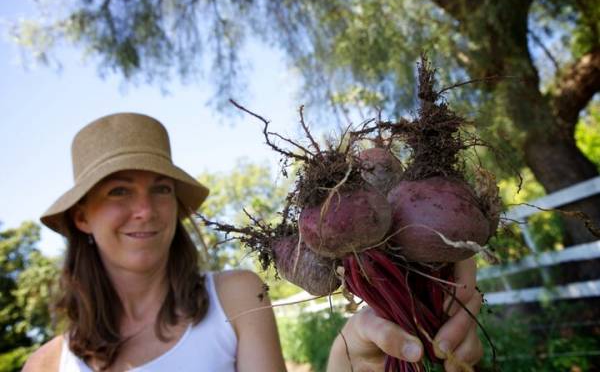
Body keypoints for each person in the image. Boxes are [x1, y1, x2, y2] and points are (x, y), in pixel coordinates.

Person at [23, 112, 483, 372]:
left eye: (160, 188)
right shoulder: (44, 365)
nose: (145, 208)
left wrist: (350, 356)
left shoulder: (237, 296)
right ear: (82, 216)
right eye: (119, 190)